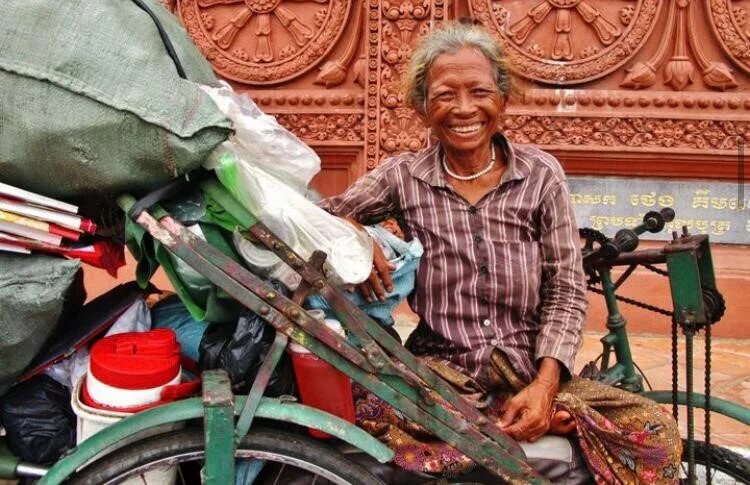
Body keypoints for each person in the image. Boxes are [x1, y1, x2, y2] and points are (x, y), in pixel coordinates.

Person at [320, 20, 681, 484]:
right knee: (366, 410)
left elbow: (566, 289)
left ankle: (512, 422)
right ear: (422, 107)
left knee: (656, 433)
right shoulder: (403, 177)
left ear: (503, 99)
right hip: (443, 375)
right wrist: (357, 234)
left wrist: (546, 387)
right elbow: (317, 215)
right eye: (446, 95)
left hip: (529, 368)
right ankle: (502, 428)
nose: (464, 108)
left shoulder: (539, 175)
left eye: (479, 92)